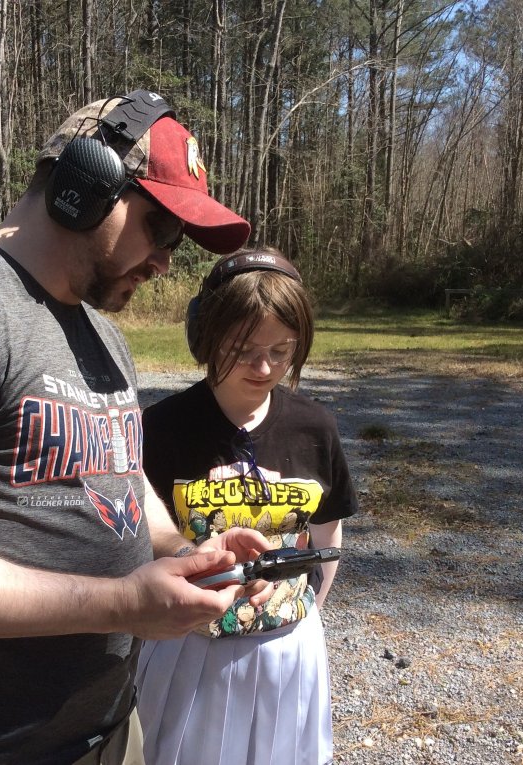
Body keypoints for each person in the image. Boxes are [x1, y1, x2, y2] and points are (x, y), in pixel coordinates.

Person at [0, 90, 274, 765]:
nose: (166, 260)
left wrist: (198, 546)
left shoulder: (104, 335)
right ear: (84, 186)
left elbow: (123, 486)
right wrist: (125, 604)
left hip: (108, 733)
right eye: (160, 229)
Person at [134, 247, 359, 765]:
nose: (264, 367)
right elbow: (138, 536)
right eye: (243, 348)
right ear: (205, 335)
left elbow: (327, 536)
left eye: (282, 352)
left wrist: (302, 616)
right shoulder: (162, 427)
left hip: (287, 650)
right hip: (186, 652)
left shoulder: (314, 426)